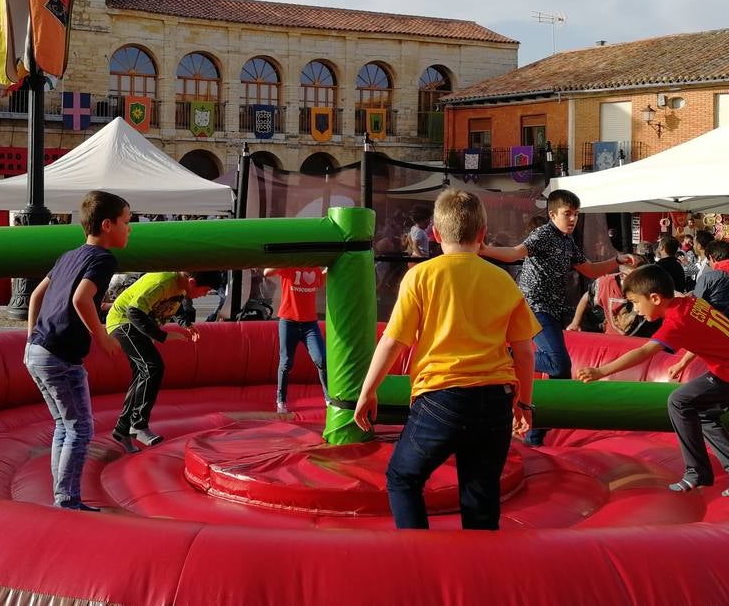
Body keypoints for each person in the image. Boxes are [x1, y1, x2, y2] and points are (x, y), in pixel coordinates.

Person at [353, 188, 538, 530]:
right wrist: (523, 403)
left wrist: (368, 391)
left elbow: (393, 342)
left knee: (403, 478)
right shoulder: (503, 280)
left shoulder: (421, 275)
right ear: (482, 235)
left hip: (442, 396)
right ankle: (477, 571)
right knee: (481, 495)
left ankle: (419, 558)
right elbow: (525, 350)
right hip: (496, 396)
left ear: (436, 235)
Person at [576, 264, 729, 496]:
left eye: (636, 303)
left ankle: (697, 471)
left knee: (678, 401)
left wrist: (601, 371)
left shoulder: (675, 321)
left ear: (655, 298)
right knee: (704, 414)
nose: (636, 311)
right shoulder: (691, 303)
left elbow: (643, 352)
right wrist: (683, 363)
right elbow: (705, 334)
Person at [479, 189, 637, 445]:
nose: (573, 219)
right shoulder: (543, 235)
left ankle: (534, 433)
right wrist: (485, 249)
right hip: (533, 305)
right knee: (559, 364)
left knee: (559, 376)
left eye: (576, 214)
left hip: (551, 309)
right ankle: (504, 356)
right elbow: (515, 253)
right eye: (568, 214)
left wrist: (617, 260)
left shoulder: (567, 241)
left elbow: (590, 269)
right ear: (552, 214)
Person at [25, 191, 129, 511]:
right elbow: (81, 300)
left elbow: (35, 297)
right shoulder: (103, 259)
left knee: (64, 426)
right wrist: (103, 337)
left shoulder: (69, 255)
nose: (130, 228)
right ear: (108, 225)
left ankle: (62, 494)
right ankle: (67, 500)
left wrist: (31, 339)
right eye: (127, 222)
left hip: (38, 351)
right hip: (61, 356)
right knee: (81, 429)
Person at [105, 269, 223, 450]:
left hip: (136, 325)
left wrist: (186, 324)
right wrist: (163, 336)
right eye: (206, 291)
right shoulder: (163, 281)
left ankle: (122, 429)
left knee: (142, 374)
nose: (205, 295)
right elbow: (133, 311)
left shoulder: (181, 287)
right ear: (192, 282)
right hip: (124, 322)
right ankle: (138, 424)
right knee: (153, 367)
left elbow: (174, 306)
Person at [262, 265, 327, 413]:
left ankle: (328, 398)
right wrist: (285, 260)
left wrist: (330, 268)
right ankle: (281, 400)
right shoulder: (289, 266)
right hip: (288, 321)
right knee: (286, 362)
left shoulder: (314, 268)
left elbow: (321, 281)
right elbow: (267, 272)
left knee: (321, 359)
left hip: (309, 324)